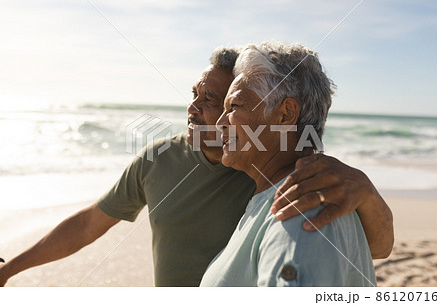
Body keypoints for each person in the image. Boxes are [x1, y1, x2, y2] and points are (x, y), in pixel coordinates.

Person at [0, 46, 392, 287]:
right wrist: (9, 270)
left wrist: (367, 192)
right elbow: (89, 224)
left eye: (219, 101)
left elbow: (369, 245)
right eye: (194, 95)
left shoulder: (271, 172)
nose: (194, 108)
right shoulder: (158, 159)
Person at [201, 42, 376, 287]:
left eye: (234, 107)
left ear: (285, 114)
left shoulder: (301, 207)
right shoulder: (275, 197)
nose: (220, 122)